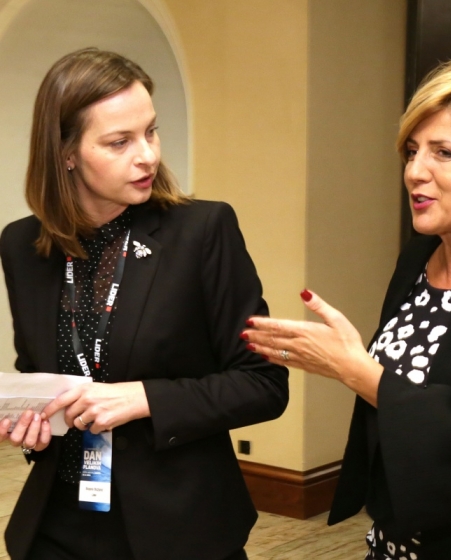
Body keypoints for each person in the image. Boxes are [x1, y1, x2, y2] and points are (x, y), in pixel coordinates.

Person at [242, 59, 451, 560]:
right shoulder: (420, 257)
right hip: (394, 540)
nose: (415, 172)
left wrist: (354, 370)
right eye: (413, 151)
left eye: (444, 153)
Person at [0, 47, 289, 560]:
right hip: (59, 524)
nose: (148, 155)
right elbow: (38, 370)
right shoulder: (22, 245)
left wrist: (145, 399)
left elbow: (264, 385)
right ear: (66, 153)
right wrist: (31, 428)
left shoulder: (203, 231)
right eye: (120, 142)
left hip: (179, 528)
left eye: (151, 132)